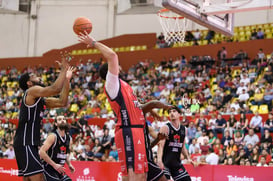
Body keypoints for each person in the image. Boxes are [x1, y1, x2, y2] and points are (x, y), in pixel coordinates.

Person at [78, 32, 147, 180]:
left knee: (140, 175)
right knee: (135, 174)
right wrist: (93, 43)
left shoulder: (125, 85)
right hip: (128, 130)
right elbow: (112, 56)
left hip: (136, 130)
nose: (119, 66)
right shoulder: (112, 84)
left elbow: (135, 107)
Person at [13, 55, 74, 181]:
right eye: (34, 76)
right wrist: (63, 70)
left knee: (30, 178)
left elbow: (62, 102)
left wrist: (67, 80)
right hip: (26, 142)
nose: (39, 77)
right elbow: (55, 89)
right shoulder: (31, 91)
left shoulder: (40, 99)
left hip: (31, 143)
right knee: (39, 178)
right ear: (29, 83)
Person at [157, 106, 192, 181]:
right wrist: (159, 160)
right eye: (170, 112)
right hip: (165, 163)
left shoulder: (184, 129)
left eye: (174, 111)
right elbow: (160, 146)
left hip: (176, 164)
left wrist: (188, 158)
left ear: (179, 114)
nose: (171, 113)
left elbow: (182, 147)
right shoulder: (165, 128)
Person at [39, 115, 75, 181]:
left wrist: (69, 164)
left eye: (64, 119)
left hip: (59, 170)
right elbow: (41, 152)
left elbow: (64, 153)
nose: (62, 120)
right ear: (56, 124)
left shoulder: (69, 138)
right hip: (48, 168)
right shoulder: (53, 136)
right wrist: (54, 165)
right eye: (59, 119)